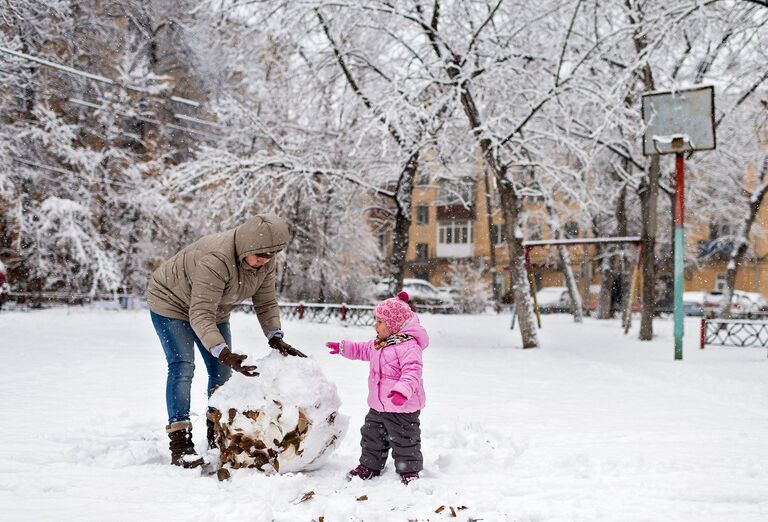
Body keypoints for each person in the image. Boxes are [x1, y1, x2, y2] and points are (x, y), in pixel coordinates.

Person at [146, 213, 306, 468]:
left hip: (214, 309)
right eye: (261, 255)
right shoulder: (216, 260)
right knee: (183, 366)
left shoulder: (263, 263)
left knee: (221, 373)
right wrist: (222, 351)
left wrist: (275, 336)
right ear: (246, 247)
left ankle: (216, 434)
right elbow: (199, 313)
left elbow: (265, 302)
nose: (265, 261)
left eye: (271, 256)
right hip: (171, 304)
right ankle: (180, 443)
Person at [326, 291, 428, 485]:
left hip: (402, 407)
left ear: (393, 325)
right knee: (372, 436)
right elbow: (362, 350)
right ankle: (370, 465)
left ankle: (409, 470)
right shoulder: (380, 344)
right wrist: (342, 348)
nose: (376, 325)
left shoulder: (409, 347)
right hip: (378, 406)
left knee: (405, 440)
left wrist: (401, 392)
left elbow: (412, 372)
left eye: (380, 321)